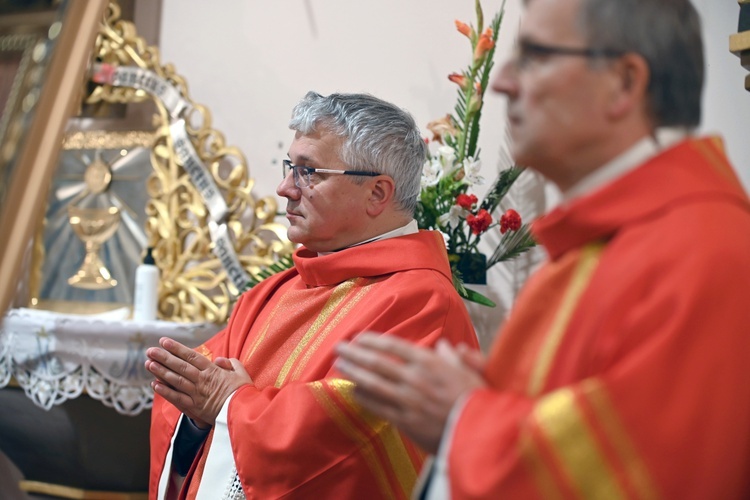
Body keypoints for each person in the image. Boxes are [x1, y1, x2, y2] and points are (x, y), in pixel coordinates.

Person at [335, 0, 750, 498]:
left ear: (623, 83)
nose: (503, 82)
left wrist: (464, 419)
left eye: (533, 56)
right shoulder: (597, 250)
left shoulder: (703, 254)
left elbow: (655, 476)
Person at [145, 91, 478, 499]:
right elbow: (200, 394)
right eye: (291, 167)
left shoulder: (421, 303)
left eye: (309, 172)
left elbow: (346, 440)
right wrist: (198, 414)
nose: (286, 188)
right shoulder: (273, 292)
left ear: (377, 193)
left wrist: (231, 406)